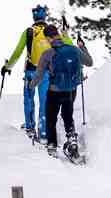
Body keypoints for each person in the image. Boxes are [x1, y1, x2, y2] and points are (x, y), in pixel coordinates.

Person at [1, 5, 64, 142]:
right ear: (45, 16)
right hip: (47, 72)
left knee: (29, 99)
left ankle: (30, 128)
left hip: (30, 71)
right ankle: (43, 132)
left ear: (34, 17)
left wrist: (7, 66)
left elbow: (17, 52)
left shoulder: (29, 32)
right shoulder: (52, 32)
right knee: (44, 101)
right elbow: (65, 46)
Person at [29, 24, 93, 158]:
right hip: (70, 90)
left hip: (54, 92)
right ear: (58, 34)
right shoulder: (74, 49)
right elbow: (89, 62)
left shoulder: (47, 54)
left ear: (48, 38)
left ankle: (52, 147)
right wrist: (82, 47)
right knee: (68, 116)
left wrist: (30, 85)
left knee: (51, 119)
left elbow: (39, 75)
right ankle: (72, 141)